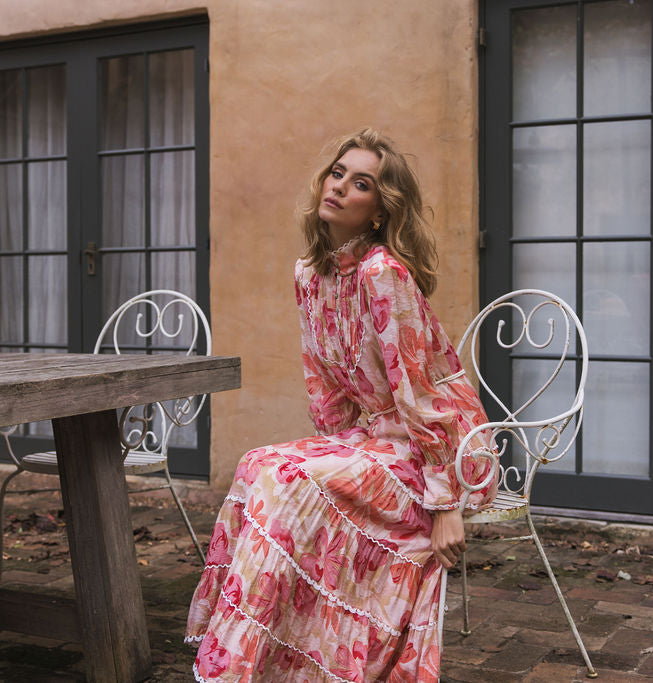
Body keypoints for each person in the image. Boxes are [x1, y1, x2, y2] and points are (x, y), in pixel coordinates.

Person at [186, 129, 497, 681]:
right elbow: (324, 384)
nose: (340, 187)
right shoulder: (309, 274)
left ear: (378, 211)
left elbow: (421, 395)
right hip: (375, 441)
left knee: (290, 479)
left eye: (361, 184)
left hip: (445, 452)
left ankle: (281, 659)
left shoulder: (383, 274)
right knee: (258, 463)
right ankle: (267, 657)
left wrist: (446, 502)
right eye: (337, 173)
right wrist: (331, 448)